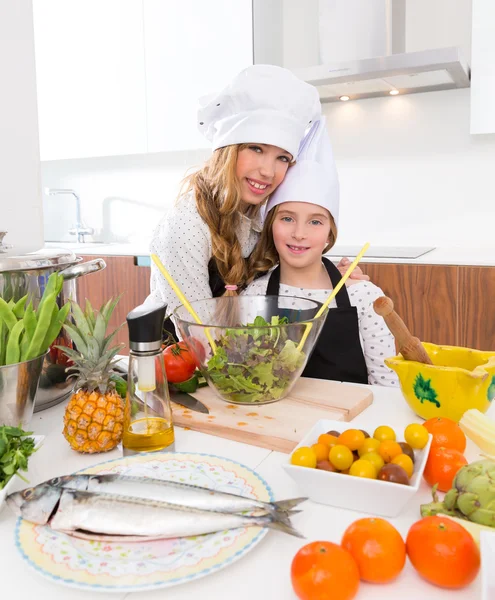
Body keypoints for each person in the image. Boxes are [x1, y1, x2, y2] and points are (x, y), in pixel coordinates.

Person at [147, 64, 368, 336]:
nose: (268, 171)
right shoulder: (186, 226)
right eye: (256, 148)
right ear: (227, 150)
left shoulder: (258, 208)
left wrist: (332, 277)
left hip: (236, 347)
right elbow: (199, 333)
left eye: (282, 158)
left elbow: (289, 260)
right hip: (182, 360)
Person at [243, 118, 398, 387]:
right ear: (270, 226)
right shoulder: (254, 295)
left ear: (329, 234)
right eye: (287, 219)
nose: (299, 233)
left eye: (315, 221)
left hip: (350, 427)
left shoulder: (365, 296)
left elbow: (387, 386)